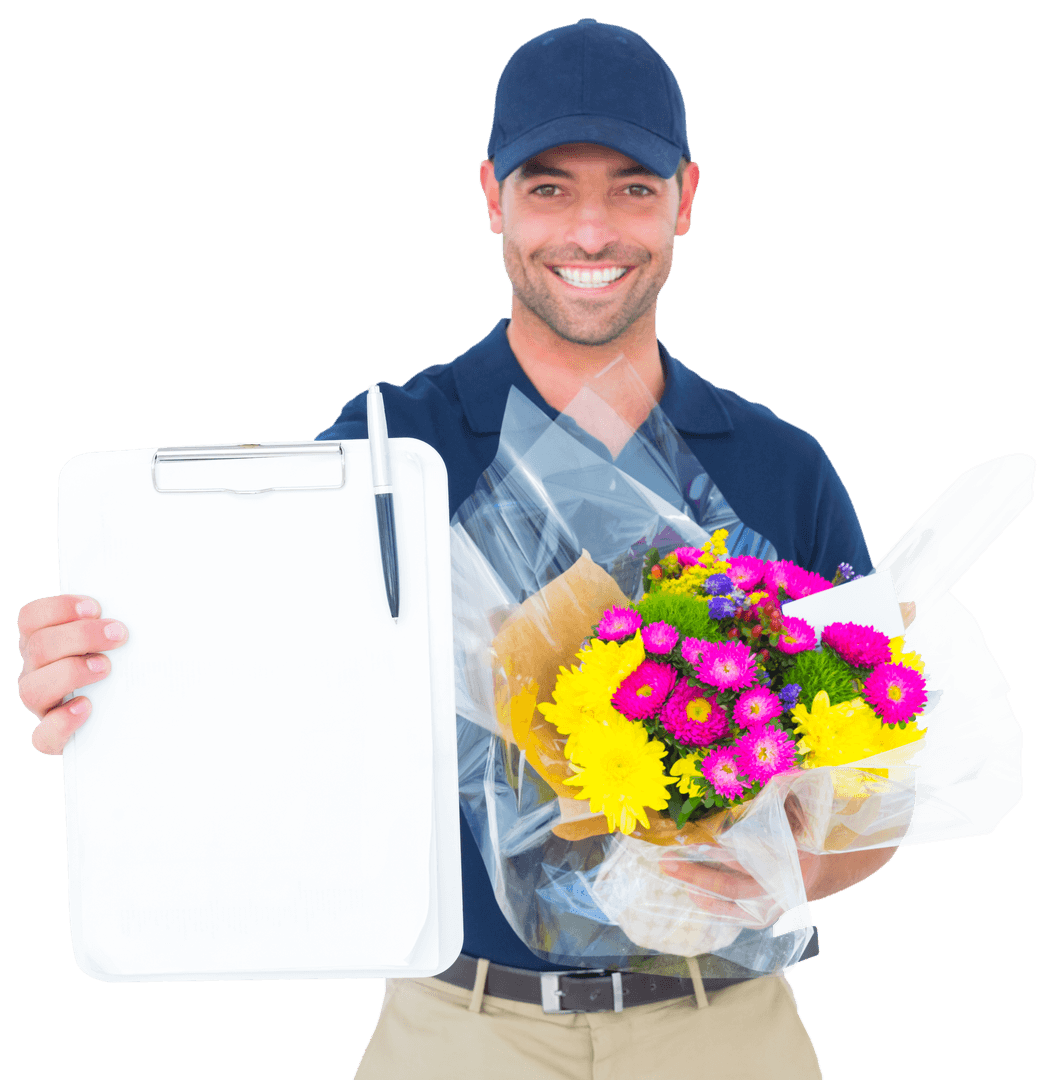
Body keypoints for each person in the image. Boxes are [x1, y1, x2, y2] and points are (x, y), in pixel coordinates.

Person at [17, 19, 913, 1079]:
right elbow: (262, 692)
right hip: (458, 1031)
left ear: (686, 199)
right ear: (490, 196)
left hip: (723, 1027)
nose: (591, 229)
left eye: (632, 186)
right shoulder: (387, 450)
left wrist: (781, 873)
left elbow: (880, 782)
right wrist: (111, 685)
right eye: (548, 188)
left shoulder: (779, 468)